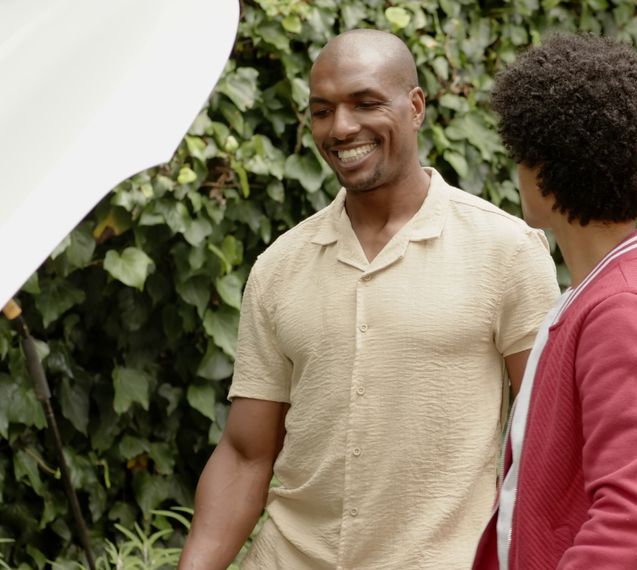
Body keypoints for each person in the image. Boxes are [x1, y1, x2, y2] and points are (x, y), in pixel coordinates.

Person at [178, 29, 559, 569]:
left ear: (416, 106)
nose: (342, 128)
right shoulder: (279, 268)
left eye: (365, 103)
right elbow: (244, 455)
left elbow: (548, 438)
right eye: (322, 110)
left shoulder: (506, 251)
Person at [472, 34, 637, 569]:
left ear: (550, 174)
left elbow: (628, 518)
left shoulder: (623, 310)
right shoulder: (603, 290)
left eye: (523, 156)